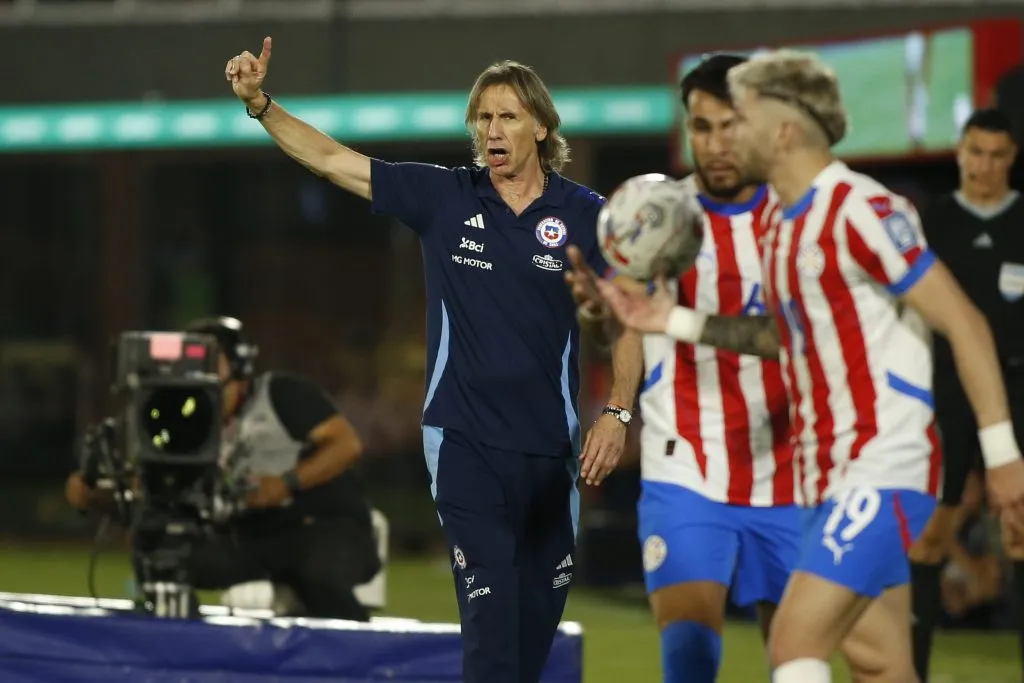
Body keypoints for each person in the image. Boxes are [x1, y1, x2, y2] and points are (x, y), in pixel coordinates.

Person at [589, 49, 1024, 683]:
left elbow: (965, 322)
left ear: (782, 129)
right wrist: (671, 322)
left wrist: (1004, 456)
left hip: (881, 463)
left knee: (793, 641)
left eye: (743, 118)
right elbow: (782, 336)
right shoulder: (786, 228)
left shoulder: (862, 210)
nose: (728, 135)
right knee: (881, 664)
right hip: (822, 474)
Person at [223, 38, 635, 683]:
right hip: (465, 442)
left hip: (552, 452)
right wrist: (260, 105)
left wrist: (617, 411)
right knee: (491, 635)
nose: (492, 131)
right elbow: (335, 161)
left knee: (528, 647)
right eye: (483, 118)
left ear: (541, 127)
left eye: (507, 117)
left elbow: (629, 319)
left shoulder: (587, 217)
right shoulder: (446, 197)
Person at [573, 53, 798, 683]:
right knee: (691, 658)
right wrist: (598, 317)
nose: (717, 143)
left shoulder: (796, 218)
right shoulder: (656, 216)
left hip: (791, 474)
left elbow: (803, 341)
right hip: (687, 470)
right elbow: (618, 326)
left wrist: (670, 320)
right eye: (703, 127)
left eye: (731, 126)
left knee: (797, 662)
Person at [66, 316, 379, 620]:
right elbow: (149, 488)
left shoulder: (280, 394)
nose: (198, 374)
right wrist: (97, 495)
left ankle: (358, 656)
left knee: (316, 570)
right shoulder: (182, 416)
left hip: (324, 527)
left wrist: (286, 483)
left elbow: (346, 444)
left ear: (240, 366)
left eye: (208, 362)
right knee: (164, 553)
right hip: (253, 537)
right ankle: (180, 645)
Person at [913, 107, 1024, 680]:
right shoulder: (934, 224)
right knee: (931, 536)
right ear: (960, 152)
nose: (983, 166)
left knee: (1020, 532)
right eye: (974, 152)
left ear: (1012, 158)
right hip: (946, 395)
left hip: (1017, 392)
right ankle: (914, 668)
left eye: (996, 154)